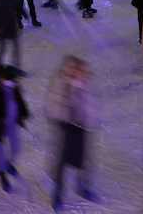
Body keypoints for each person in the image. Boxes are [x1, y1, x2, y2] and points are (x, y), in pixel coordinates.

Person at [47, 56, 98, 207]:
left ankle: (82, 187)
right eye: (78, 70)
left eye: (82, 70)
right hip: (65, 127)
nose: (81, 73)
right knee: (62, 162)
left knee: (84, 160)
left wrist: (90, 119)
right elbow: (53, 104)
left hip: (80, 126)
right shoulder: (60, 83)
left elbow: (92, 105)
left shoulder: (85, 84)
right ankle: (57, 194)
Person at [0, 0, 24, 70]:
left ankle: (16, 67)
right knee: (3, 49)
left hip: (11, 26)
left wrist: (25, 14)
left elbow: (18, 6)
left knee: (15, 48)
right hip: (4, 28)